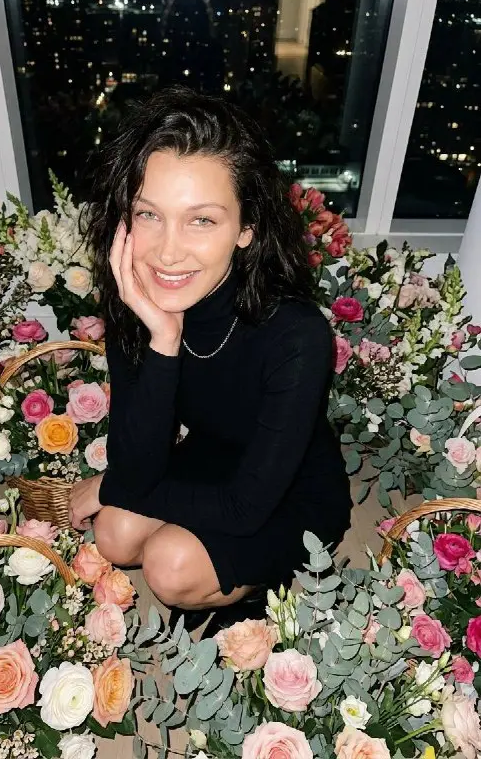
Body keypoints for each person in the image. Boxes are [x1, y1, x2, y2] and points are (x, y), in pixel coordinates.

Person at [69, 86, 352, 634]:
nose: (168, 251)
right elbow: (136, 457)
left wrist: (115, 486)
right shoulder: (137, 300)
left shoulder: (297, 334)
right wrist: (162, 339)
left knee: (168, 567)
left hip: (289, 492)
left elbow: (244, 507)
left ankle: (262, 588)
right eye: (149, 215)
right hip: (210, 459)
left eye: (201, 220)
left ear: (246, 227)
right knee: (114, 535)